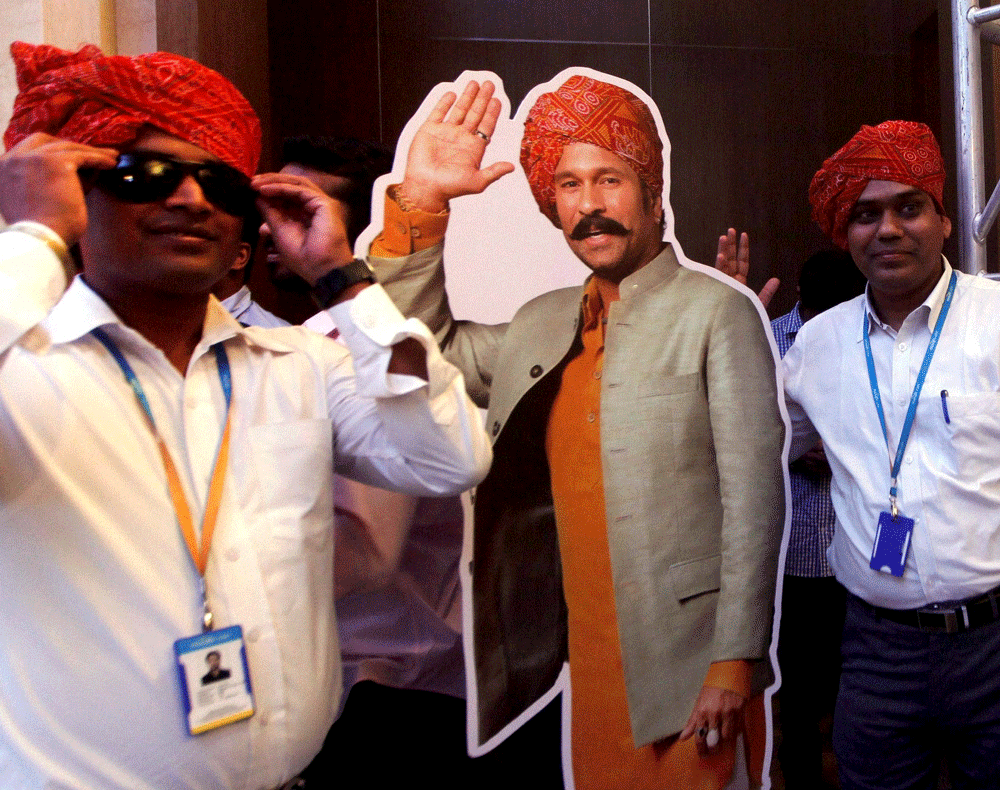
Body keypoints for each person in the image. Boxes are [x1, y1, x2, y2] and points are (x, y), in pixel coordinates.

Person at [0, 41, 489, 790]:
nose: (192, 201)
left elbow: (448, 456)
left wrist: (342, 281)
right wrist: (33, 237)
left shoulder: (298, 364)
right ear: (77, 190)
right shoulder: (25, 378)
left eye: (222, 185)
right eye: (149, 176)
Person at [372, 73, 786, 789]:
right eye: (567, 185)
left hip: (691, 664)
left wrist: (734, 659)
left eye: (609, 180)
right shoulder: (541, 321)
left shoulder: (716, 313)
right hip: (588, 663)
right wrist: (425, 203)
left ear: (653, 193)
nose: (589, 206)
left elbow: (755, 502)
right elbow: (418, 348)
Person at [213, 136, 479, 788]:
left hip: (394, 680)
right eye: (266, 203)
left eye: (298, 207)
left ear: (346, 229)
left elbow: (368, 553)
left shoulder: (353, 340)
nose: (274, 227)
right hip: (383, 671)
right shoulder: (309, 339)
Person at [783, 120, 1000, 790]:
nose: (887, 230)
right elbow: (766, 446)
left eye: (909, 208)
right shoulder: (815, 346)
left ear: (942, 218)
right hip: (877, 651)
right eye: (865, 215)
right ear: (844, 234)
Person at [769, 249, 864, 789]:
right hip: (796, 545)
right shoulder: (767, 340)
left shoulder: (864, 331)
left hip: (859, 544)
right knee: (798, 688)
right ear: (802, 305)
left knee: (858, 685)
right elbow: (742, 438)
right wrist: (794, 446)